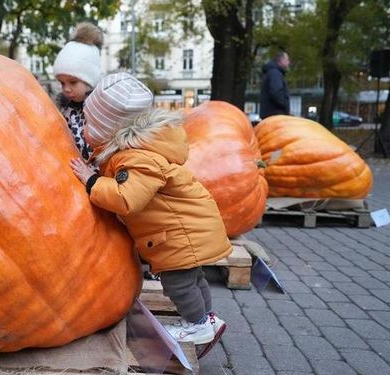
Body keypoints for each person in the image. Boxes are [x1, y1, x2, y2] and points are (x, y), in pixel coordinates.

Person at [69, 72, 231, 355]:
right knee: (194, 279)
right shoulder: (138, 152)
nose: (84, 129)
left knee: (178, 283)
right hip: (186, 230)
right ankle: (206, 319)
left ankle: (197, 324)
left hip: (179, 236)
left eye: (89, 123)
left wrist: (91, 181)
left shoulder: (136, 159)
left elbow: (127, 197)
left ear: (109, 129)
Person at [53, 22, 103, 164]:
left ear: (90, 80)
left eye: (73, 82)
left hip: (100, 177)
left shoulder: (101, 110)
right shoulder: (64, 111)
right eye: (62, 83)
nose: (66, 88)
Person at [259, 51, 290, 119]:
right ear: (281, 60)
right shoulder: (275, 74)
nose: (288, 63)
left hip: (271, 114)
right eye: (287, 60)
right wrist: (285, 106)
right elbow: (276, 92)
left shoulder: (271, 73)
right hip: (275, 115)